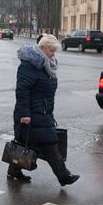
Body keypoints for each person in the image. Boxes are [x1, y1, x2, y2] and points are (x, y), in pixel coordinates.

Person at [9, 34, 79, 186]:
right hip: (31, 114)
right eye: (51, 50)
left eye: (55, 51)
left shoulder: (48, 65)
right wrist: (25, 114)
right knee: (49, 144)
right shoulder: (29, 66)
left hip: (42, 113)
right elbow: (22, 91)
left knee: (26, 143)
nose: (53, 54)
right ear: (41, 48)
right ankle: (64, 176)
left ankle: (13, 171)